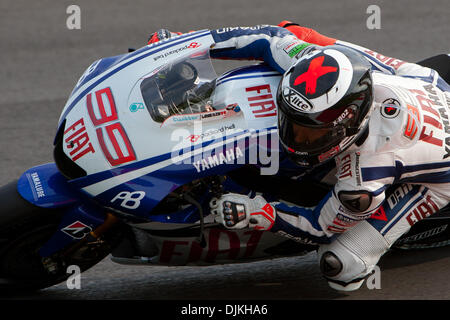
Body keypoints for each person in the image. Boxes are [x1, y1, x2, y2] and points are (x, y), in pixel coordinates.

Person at [148, 22, 450, 291]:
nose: (293, 136)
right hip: (426, 83)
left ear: (344, 127)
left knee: (342, 266)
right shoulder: (318, 66)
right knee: (298, 34)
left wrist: (259, 213)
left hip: (439, 177)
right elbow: (269, 37)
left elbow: (321, 227)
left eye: (309, 134)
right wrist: (181, 46)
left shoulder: (363, 177)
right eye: (291, 122)